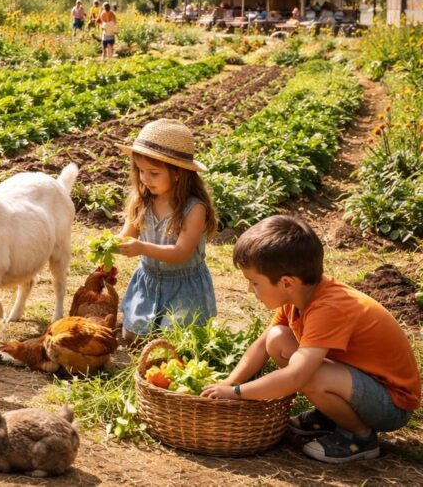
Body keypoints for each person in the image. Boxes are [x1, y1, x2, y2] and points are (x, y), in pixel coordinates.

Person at [201, 216, 421, 464]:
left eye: (254, 282)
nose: (250, 290)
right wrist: (230, 381)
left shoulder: (329, 307)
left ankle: (360, 437)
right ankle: (331, 415)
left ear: (286, 282)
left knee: (309, 373)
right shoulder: (298, 297)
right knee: (277, 338)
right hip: (362, 383)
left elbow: (296, 376)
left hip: (390, 404)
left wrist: (238, 393)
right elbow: (263, 344)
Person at [115, 119, 218, 344]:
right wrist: (110, 246)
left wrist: (141, 247)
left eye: (153, 173)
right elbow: (126, 237)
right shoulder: (141, 201)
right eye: (141, 171)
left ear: (178, 173)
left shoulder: (194, 208)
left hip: (183, 286)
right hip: (149, 280)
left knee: (177, 341)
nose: (145, 179)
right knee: (132, 337)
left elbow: (181, 252)